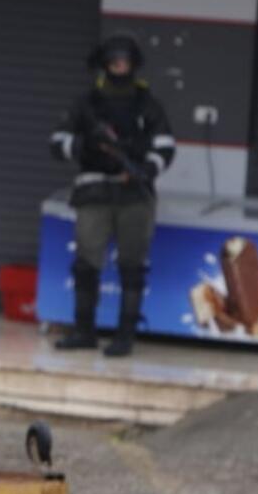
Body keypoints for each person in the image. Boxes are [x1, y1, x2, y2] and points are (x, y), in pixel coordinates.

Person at [49, 33, 175, 357]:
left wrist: (147, 168)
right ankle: (84, 331)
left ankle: (125, 336)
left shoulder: (147, 104)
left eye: (126, 62)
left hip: (134, 193)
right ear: (104, 65)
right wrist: (84, 145)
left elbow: (165, 146)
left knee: (132, 266)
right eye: (115, 62)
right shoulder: (86, 103)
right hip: (94, 190)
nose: (121, 67)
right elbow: (56, 143)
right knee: (86, 263)